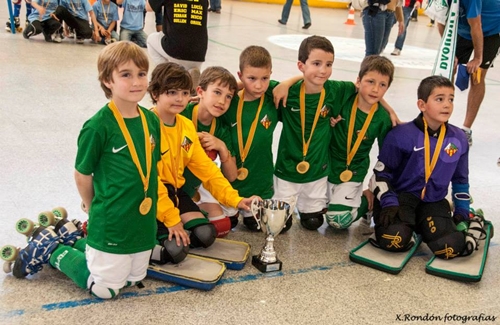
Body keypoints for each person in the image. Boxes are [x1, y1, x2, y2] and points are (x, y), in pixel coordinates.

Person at [6, 42, 162, 299]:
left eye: (141, 74)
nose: (136, 82)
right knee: (106, 289)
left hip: (142, 222)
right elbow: (82, 174)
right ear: (107, 80)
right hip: (110, 222)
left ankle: (75, 240)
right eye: (126, 74)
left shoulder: (151, 120)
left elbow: (151, 167)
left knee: (134, 280)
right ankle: (52, 249)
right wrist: (94, 207)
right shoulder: (98, 126)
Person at [149, 62, 259, 261]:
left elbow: (208, 170)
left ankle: (169, 235)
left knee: (206, 235)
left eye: (184, 93)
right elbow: (150, 181)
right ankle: (145, 242)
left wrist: (237, 200)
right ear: (156, 93)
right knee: (174, 252)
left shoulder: (186, 126)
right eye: (172, 92)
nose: (179, 99)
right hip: (150, 195)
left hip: (176, 192)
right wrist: (172, 220)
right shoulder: (147, 125)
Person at [368, 75, 486, 259]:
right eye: (439, 99)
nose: (447, 105)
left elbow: (460, 180)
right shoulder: (401, 135)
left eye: (451, 99)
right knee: (395, 240)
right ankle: (409, 228)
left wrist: (462, 211)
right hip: (400, 199)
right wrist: (389, 202)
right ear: (422, 105)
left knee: (449, 248)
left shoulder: (458, 139)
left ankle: (471, 222)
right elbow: (380, 175)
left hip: (433, 201)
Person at [273, 35, 356, 231]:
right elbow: (251, 84)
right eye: (316, 63)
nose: (323, 70)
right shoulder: (285, 91)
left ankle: (308, 207)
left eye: (329, 64)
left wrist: (391, 111)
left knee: (313, 223)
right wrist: (286, 82)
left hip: (318, 170)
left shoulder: (335, 90)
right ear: (301, 65)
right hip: (287, 167)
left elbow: (366, 89)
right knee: (280, 225)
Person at [221, 46, 298, 231]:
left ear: (271, 74)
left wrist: (287, 83)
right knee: (225, 226)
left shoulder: (273, 98)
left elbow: (309, 81)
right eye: (251, 79)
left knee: (267, 226)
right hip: (229, 181)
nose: (259, 85)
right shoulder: (228, 101)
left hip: (261, 183)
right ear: (240, 75)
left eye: (265, 78)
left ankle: (252, 210)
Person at [325, 55, 394, 230]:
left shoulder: (382, 119)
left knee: (337, 220)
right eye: (370, 82)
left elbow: (386, 157)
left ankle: (366, 201)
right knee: (310, 213)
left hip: (354, 171)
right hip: (327, 165)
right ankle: (345, 199)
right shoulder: (344, 99)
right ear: (358, 81)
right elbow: (317, 84)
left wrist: (373, 184)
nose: (376, 89)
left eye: (382, 85)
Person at [179, 66, 239, 238]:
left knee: (222, 226)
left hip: (196, 185)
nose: (222, 101)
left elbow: (232, 176)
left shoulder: (221, 128)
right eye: (217, 92)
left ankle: (193, 211)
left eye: (228, 97)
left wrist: (221, 147)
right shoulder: (182, 113)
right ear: (200, 91)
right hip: (171, 184)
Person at [437, 0, 500, 146]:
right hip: (462, 29)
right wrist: (450, 52)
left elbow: (476, 25)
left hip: (491, 27)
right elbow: (440, 21)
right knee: (449, 68)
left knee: (477, 75)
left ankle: (466, 128)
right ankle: (440, 122)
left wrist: (478, 58)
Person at [147, 0, 208, 93]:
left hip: (175, 50)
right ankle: (190, 72)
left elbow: (148, 7)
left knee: (151, 39)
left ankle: (169, 74)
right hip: (199, 52)